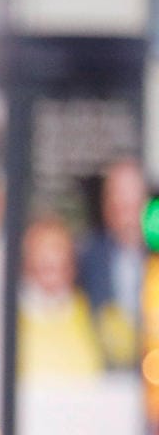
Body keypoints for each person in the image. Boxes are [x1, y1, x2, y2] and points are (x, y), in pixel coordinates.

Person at [78, 158, 146, 369]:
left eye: (131, 203)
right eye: (115, 200)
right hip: (105, 385)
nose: (124, 212)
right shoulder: (87, 257)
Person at [19, 215, 104, 382]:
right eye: (43, 248)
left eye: (58, 248)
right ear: (27, 260)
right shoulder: (9, 315)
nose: (51, 256)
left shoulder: (89, 310)